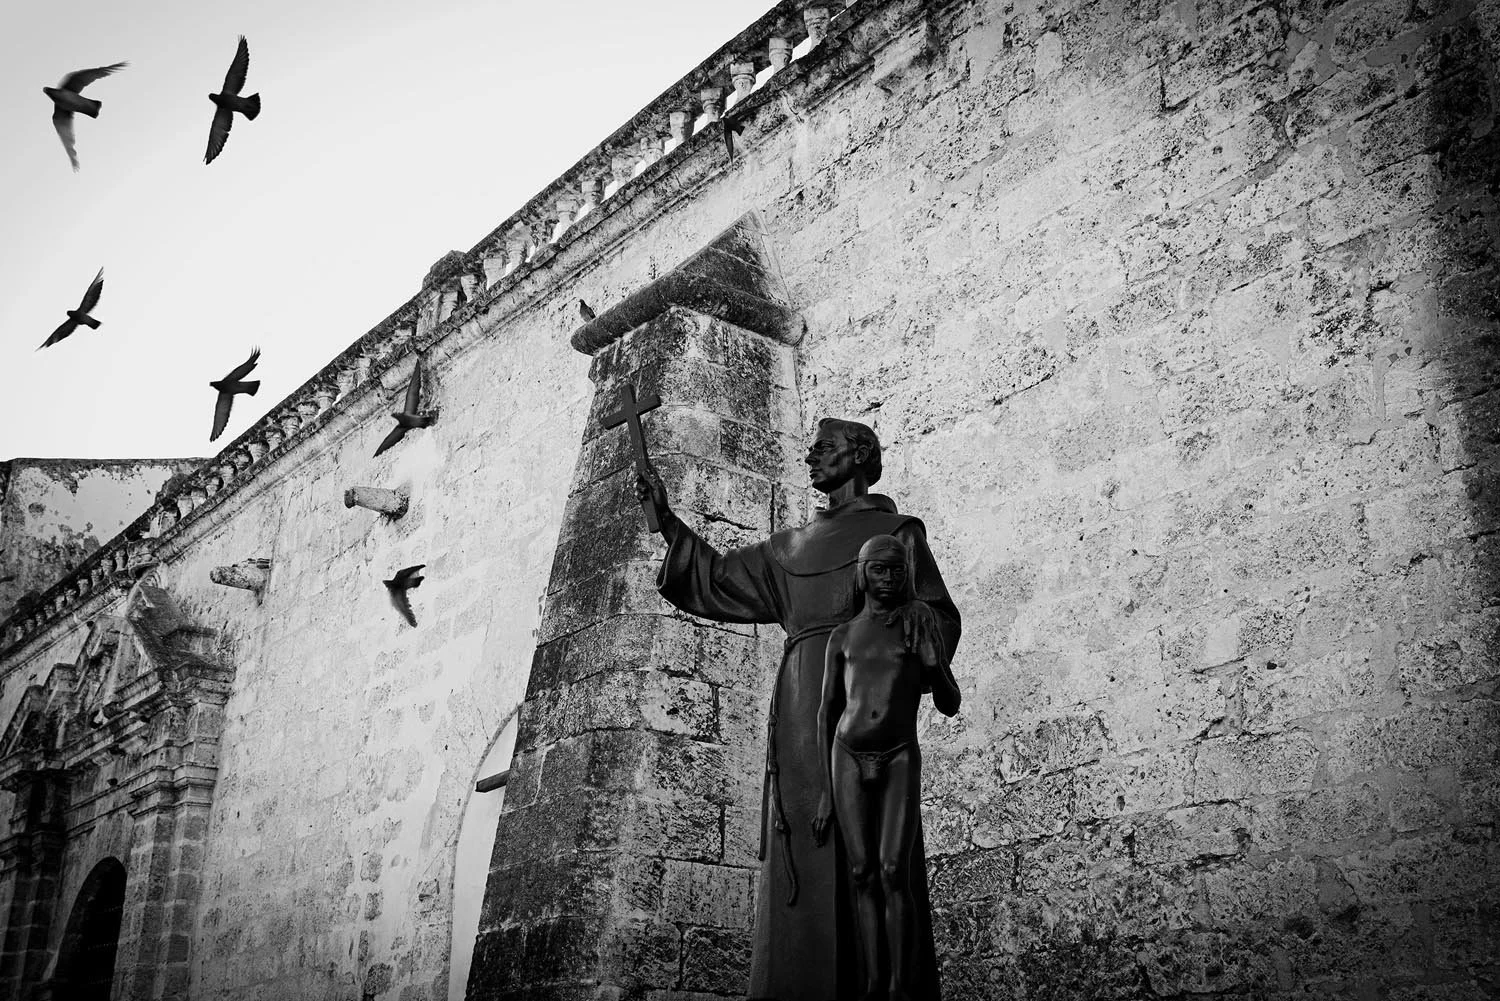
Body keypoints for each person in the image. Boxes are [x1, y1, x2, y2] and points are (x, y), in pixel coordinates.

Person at [636, 418, 960, 1001]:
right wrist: (665, 521)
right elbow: (717, 577)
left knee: (880, 864)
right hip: (798, 711)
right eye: (811, 449)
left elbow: (937, 617)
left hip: (869, 704)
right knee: (805, 851)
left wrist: (909, 639)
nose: (811, 458)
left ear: (860, 457)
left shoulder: (898, 534)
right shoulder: (787, 547)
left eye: (826, 449)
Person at [813, 535, 961, 1001]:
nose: (889, 578)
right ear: (863, 573)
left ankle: (901, 987)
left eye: (897, 570)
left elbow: (950, 703)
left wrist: (933, 664)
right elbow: (827, 712)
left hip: (898, 753)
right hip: (847, 755)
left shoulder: (918, 622)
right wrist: (824, 793)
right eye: (879, 569)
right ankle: (876, 983)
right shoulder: (842, 636)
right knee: (862, 873)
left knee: (894, 868)